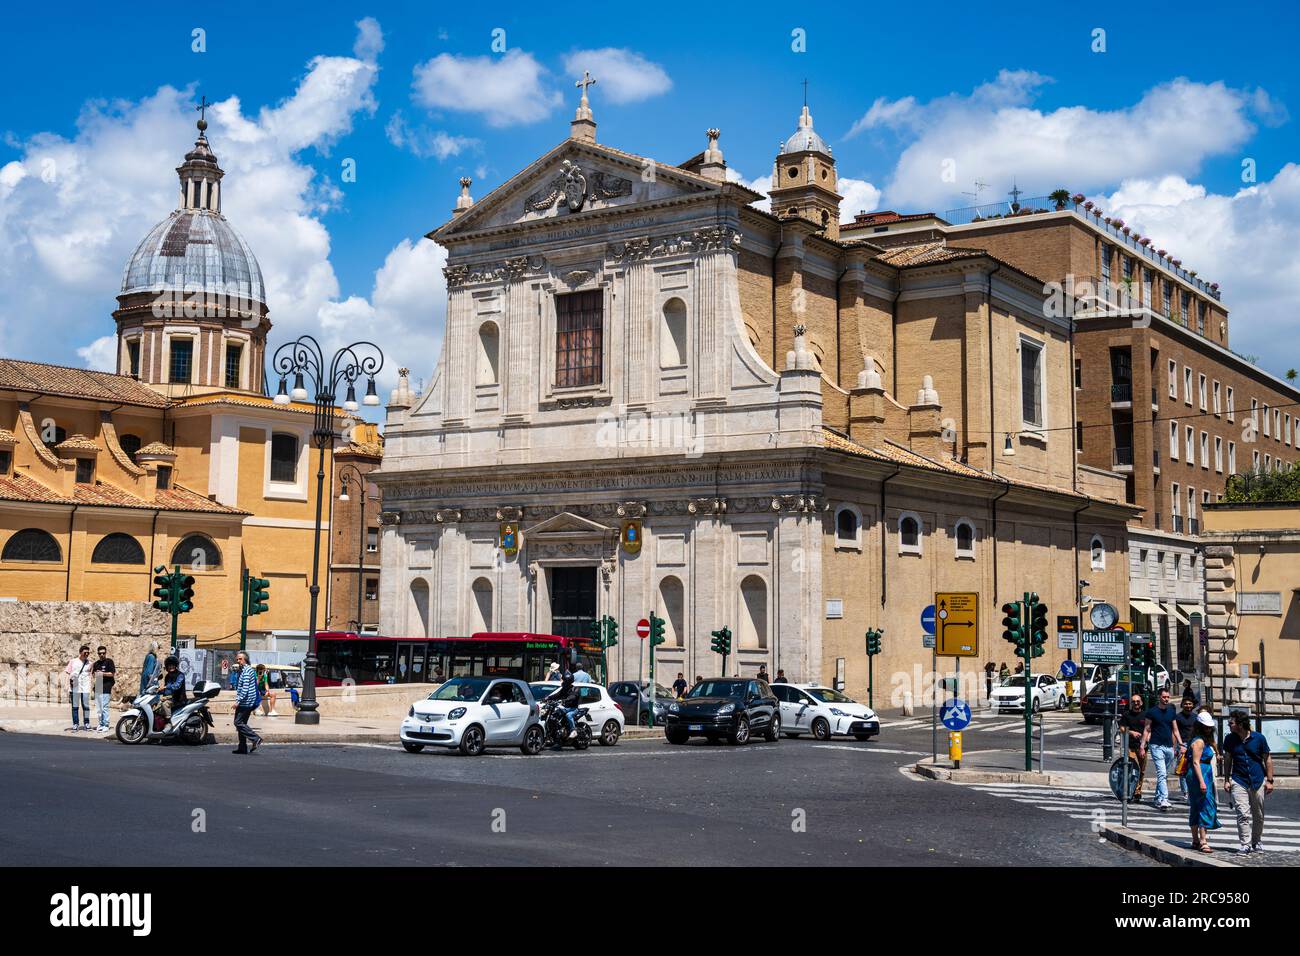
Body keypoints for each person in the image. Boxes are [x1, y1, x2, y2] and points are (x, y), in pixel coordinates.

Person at [1222, 711, 1275, 855]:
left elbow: (1267, 759)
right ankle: (1245, 844)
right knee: (1242, 813)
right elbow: (1227, 760)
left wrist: (1269, 780)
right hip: (1239, 780)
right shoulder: (1229, 739)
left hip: (1257, 780)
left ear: (1240, 724)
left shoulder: (1259, 738)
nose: (1228, 725)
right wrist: (1227, 780)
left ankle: (1256, 841)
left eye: (1231, 723)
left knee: (1258, 815)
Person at [1184, 709, 1222, 853]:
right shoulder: (1199, 742)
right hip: (1200, 774)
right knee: (1204, 806)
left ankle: (1195, 840)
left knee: (1195, 806)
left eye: (1209, 727)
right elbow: (1195, 762)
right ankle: (1203, 841)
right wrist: (1202, 782)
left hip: (1198, 774)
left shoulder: (1198, 739)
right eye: (1206, 727)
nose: (1208, 729)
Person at [1140, 688, 1181, 811]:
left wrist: (1179, 744)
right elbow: (1147, 729)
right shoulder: (1152, 712)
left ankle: (1157, 797)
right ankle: (1164, 799)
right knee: (1161, 773)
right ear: (1159, 697)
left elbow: (1175, 730)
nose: (1166, 699)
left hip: (1169, 746)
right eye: (1164, 697)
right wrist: (1142, 746)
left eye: (1168, 697)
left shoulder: (1171, 712)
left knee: (1164, 774)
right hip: (1156, 745)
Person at [231, 651, 262, 755]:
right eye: (237, 659)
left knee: (238, 723)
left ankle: (255, 738)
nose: (238, 661)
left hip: (246, 702)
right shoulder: (243, 670)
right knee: (241, 725)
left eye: (240, 659)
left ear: (245, 660)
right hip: (246, 701)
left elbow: (245, 688)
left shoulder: (247, 671)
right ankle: (242, 747)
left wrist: (238, 701)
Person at [1119, 692, 1147, 802]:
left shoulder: (1146, 715)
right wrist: (1131, 733)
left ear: (1141, 703)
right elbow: (1121, 728)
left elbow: (1149, 729)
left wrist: (1147, 739)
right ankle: (1129, 790)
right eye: (1134, 701)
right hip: (1130, 746)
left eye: (1138, 701)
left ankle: (1137, 791)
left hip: (1143, 747)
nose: (1136, 703)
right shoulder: (1126, 715)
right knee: (1132, 769)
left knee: (1141, 770)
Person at [544, 665, 579, 745]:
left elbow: (573, 696)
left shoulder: (575, 689)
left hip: (573, 709)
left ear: (568, 682)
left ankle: (573, 730)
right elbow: (557, 694)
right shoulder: (564, 689)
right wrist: (548, 698)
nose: (562, 682)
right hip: (565, 707)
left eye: (564, 681)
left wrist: (566, 700)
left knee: (568, 716)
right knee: (555, 714)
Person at [1174, 696, 1198, 799]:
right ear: (1182, 705)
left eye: (1190, 704)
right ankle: (1185, 792)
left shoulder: (1196, 717)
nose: (1188, 706)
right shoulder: (1178, 717)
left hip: (1194, 744)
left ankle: (1192, 790)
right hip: (1182, 745)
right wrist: (1175, 747)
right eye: (1186, 704)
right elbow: (1174, 732)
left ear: (1193, 705)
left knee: (1193, 768)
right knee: (1182, 769)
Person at [65, 645, 93, 732]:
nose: (87, 654)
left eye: (88, 652)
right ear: (80, 652)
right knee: (75, 707)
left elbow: (91, 676)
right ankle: (75, 724)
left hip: (85, 687)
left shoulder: (90, 663)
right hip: (75, 686)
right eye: (85, 652)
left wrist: (91, 687)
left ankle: (86, 723)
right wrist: (66, 686)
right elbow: (67, 673)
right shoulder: (73, 661)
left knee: (86, 706)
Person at [154, 656, 187, 725]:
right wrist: (158, 691)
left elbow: (176, 686)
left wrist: (165, 687)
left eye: (172, 665)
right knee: (156, 707)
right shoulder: (168, 676)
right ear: (167, 667)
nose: (171, 667)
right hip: (170, 697)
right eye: (169, 665)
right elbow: (166, 690)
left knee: (165, 704)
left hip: (178, 698)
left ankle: (169, 722)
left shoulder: (180, 675)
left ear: (175, 666)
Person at [90, 645, 116, 733]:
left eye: (103, 653)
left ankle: (106, 724)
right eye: (100, 653)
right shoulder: (96, 663)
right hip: (98, 686)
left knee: (105, 707)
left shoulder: (109, 662)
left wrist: (102, 673)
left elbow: (112, 674)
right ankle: (100, 724)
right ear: (98, 654)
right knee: (99, 708)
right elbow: (93, 675)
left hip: (106, 686)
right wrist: (94, 673)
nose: (102, 655)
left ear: (106, 653)